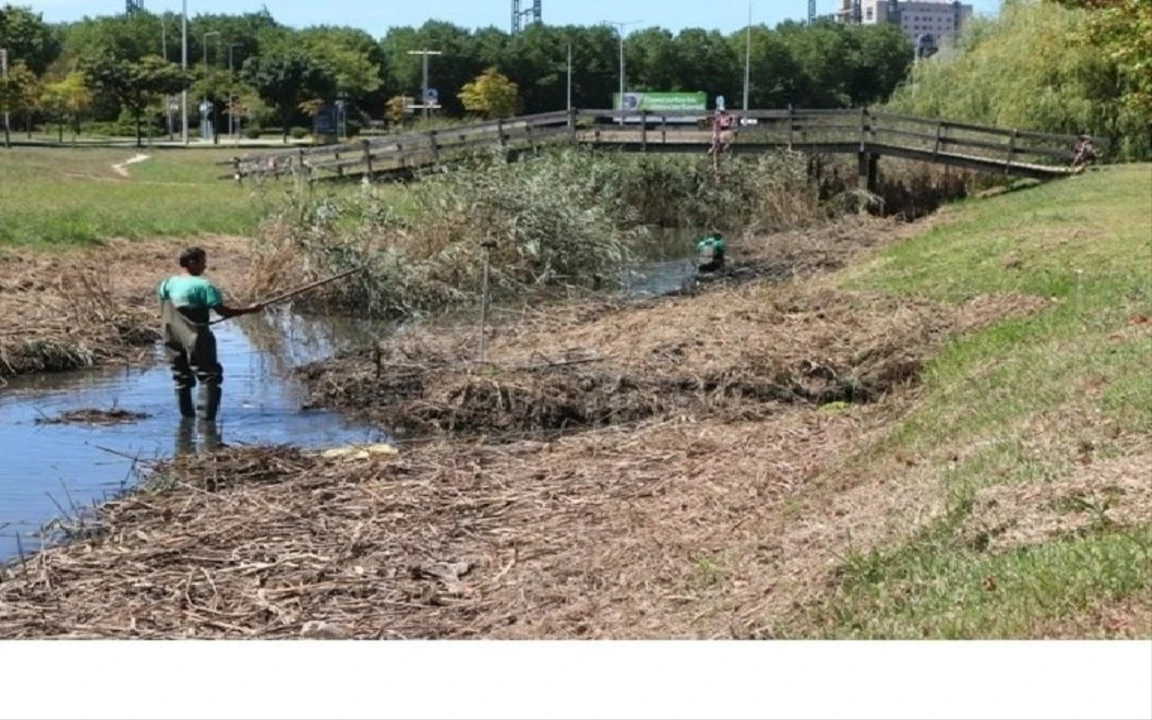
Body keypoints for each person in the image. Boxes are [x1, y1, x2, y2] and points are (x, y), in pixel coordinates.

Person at [157, 247, 262, 421]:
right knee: (209, 376)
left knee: (181, 376)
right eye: (202, 262)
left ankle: (186, 421)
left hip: (171, 337)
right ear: (192, 262)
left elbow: (167, 310)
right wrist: (249, 310)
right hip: (196, 337)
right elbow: (223, 312)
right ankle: (206, 424)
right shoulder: (204, 286)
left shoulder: (166, 284)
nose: (205, 266)